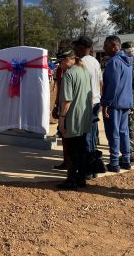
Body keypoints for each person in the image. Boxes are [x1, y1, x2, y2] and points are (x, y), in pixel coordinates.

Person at [56, 48, 93, 190]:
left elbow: (67, 100)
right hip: (84, 116)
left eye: (60, 62)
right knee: (81, 148)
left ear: (67, 60)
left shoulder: (69, 75)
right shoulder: (84, 71)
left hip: (73, 117)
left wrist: (61, 119)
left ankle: (71, 180)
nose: (60, 65)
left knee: (71, 150)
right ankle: (81, 178)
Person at [101, 35, 133, 173]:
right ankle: (126, 159)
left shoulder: (114, 62)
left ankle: (114, 162)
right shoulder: (127, 61)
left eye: (106, 45)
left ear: (114, 46)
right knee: (123, 131)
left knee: (113, 132)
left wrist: (106, 103)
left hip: (114, 103)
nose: (104, 48)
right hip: (126, 101)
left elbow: (112, 85)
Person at [74, 36, 104, 176]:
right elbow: (101, 83)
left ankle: (87, 169)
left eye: (76, 46)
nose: (74, 49)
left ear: (81, 47)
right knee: (92, 136)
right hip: (96, 101)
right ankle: (94, 167)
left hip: (86, 103)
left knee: (84, 138)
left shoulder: (81, 62)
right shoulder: (95, 61)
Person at [52, 40, 74, 170]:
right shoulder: (60, 69)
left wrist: (63, 115)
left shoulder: (74, 70)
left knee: (71, 137)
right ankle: (66, 161)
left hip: (71, 107)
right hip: (62, 103)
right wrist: (56, 105)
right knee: (64, 136)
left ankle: (72, 165)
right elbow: (59, 88)